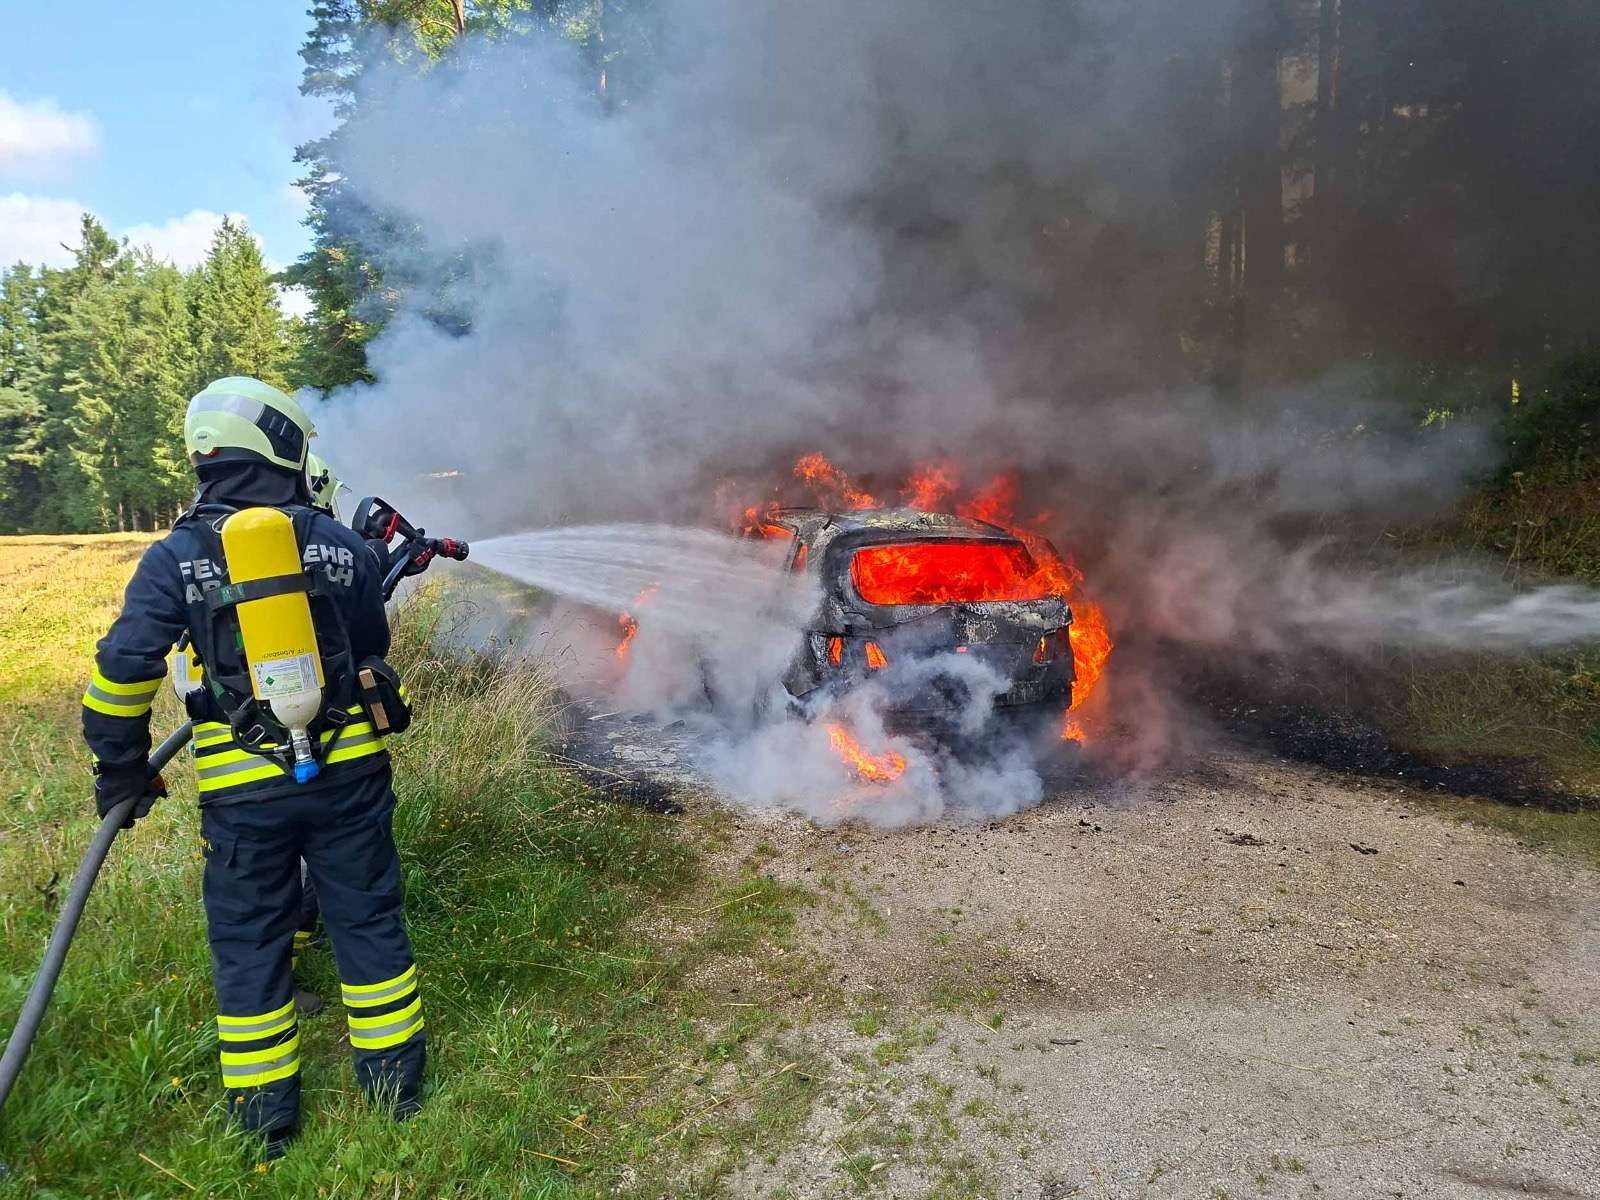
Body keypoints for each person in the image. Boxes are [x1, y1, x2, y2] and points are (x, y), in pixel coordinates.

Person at [81, 377, 425, 1157]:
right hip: (348, 778)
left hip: (242, 799)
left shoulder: (174, 557)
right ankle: (396, 1093)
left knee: (249, 943)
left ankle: (265, 1123)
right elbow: (374, 646)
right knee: (368, 922)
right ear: (286, 445)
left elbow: (120, 678)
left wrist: (122, 773)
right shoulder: (337, 543)